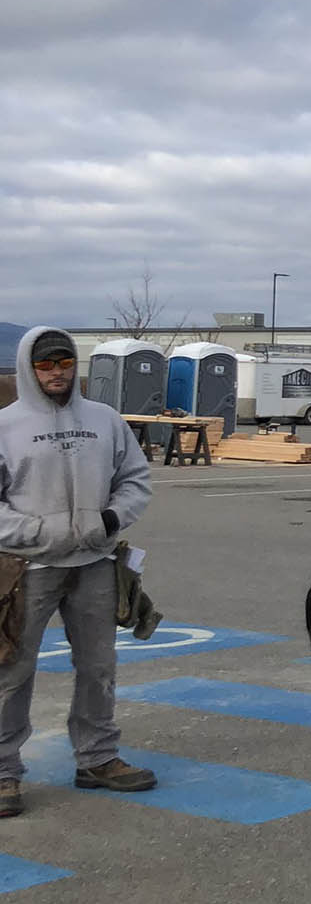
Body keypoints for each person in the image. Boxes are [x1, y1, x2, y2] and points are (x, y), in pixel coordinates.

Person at [0, 327, 156, 820]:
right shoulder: (5, 426)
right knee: (11, 671)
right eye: (46, 364)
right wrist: (38, 531)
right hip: (27, 567)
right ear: (29, 366)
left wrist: (110, 520)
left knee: (98, 666)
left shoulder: (105, 420)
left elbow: (135, 479)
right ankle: (3, 771)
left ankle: (97, 759)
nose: (56, 372)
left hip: (95, 564)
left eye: (64, 363)